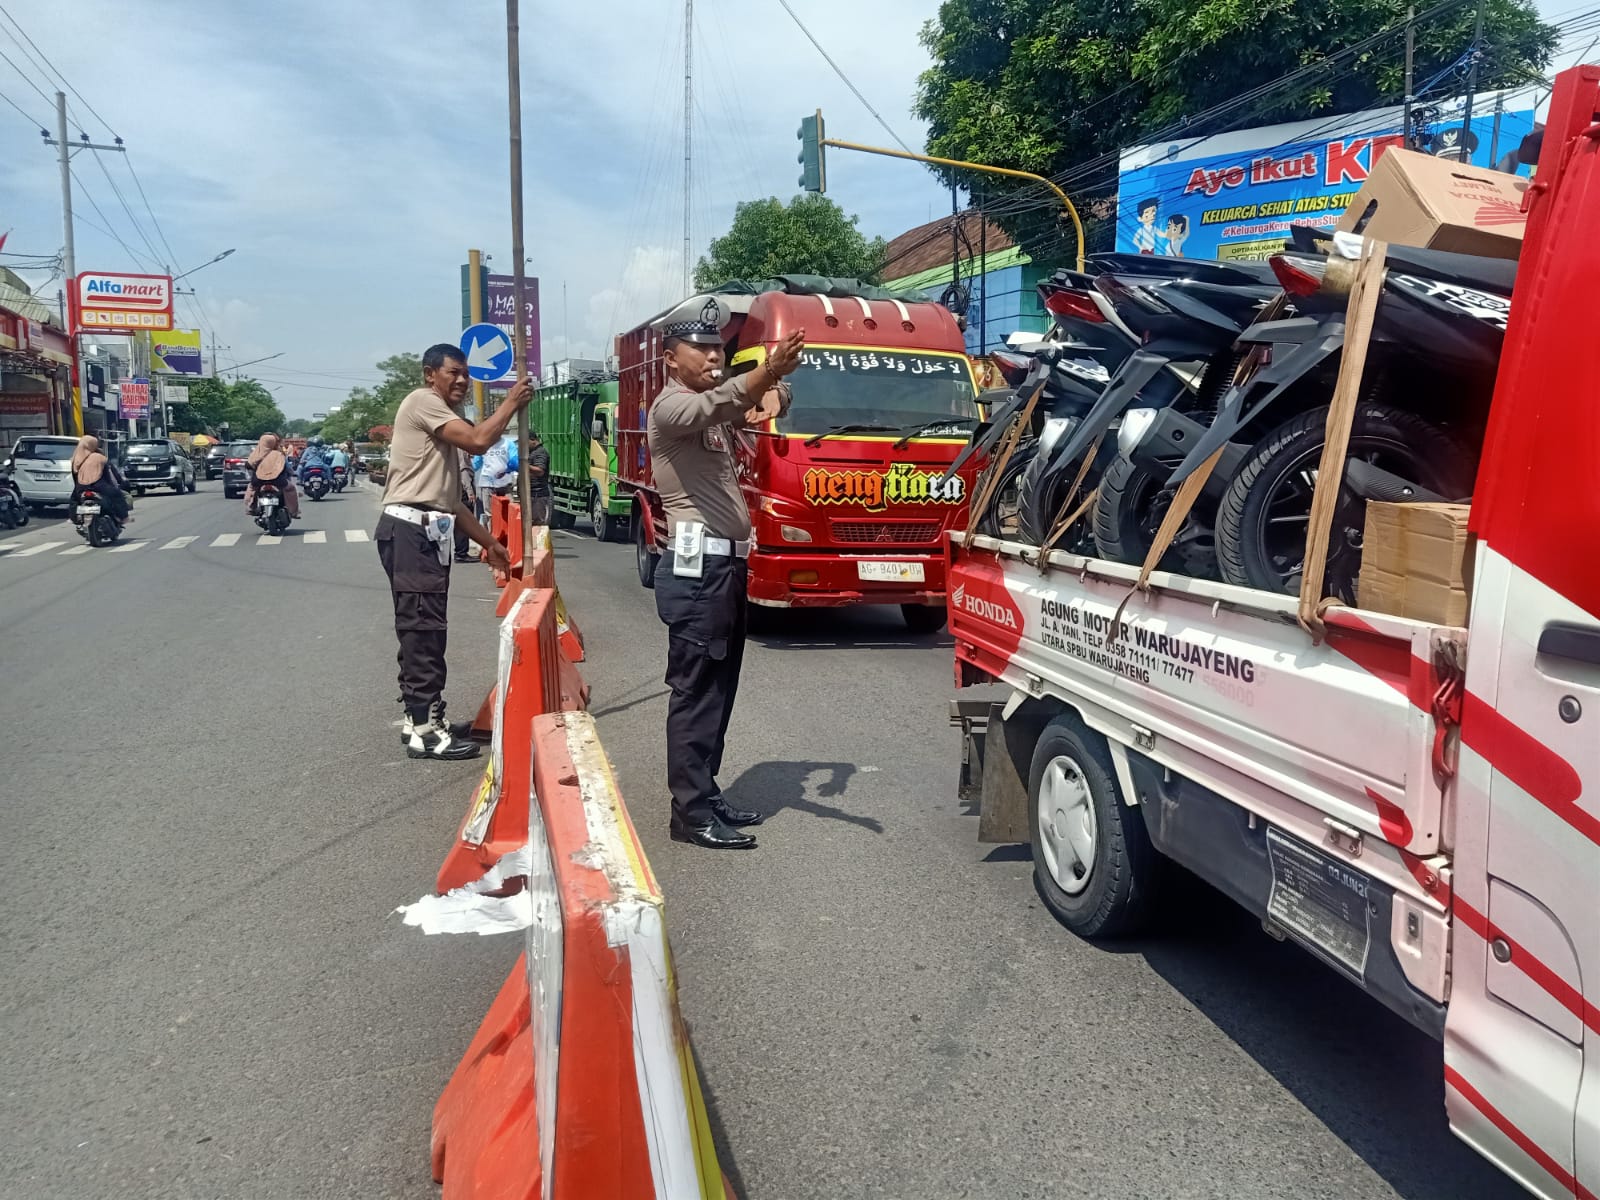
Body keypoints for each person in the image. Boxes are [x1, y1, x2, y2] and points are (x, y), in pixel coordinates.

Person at [647, 295, 804, 849]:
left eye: (719, 348)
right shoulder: (671, 409)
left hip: (724, 567)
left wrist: (778, 385)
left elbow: (758, 398)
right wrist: (764, 375)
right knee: (694, 690)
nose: (715, 356)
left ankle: (704, 791)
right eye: (702, 348)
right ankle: (688, 814)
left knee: (719, 687)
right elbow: (727, 400)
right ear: (671, 358)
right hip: (697, 570)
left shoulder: (711, 407)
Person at [377, 343, 533, 760]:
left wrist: (492, 543)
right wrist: (512, 404)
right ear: (430, 374)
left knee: (427, 628)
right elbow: (482, 441)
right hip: (411, 531)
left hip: (428, 531)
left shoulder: (444, 417)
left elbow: (451, 502)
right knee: (422, 631)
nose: (462, 380)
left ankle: (423, 718)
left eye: (466, 374)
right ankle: (424, 730)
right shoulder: (424, 402)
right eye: (453, 373)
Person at [69, 435, 131, 523]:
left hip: (81, 487)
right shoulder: (99, 457)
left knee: (73, 500)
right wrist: (118, 483)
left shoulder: (75, 459)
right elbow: (109, 473)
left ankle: (74, 518)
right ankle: (123, 517)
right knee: (117, 495)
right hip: (99, 486)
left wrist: (78, 490)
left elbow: (75, 477)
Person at [244, 433, 300, 518]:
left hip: (259, 481)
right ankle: (293, 512)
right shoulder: (279, 454)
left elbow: (248, 465)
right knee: (291, 489)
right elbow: (287, 467)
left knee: (251, 488)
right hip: (278, 480)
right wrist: (293, 473)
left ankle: (251, 508)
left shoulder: (255, 454)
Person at [525, 430, 552, 525]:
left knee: (538, 525)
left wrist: (524, 465)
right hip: (531, 495)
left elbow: (540, 471)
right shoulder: (531, 452)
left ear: (533, 440)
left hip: (538, 496)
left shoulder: (540, 452)